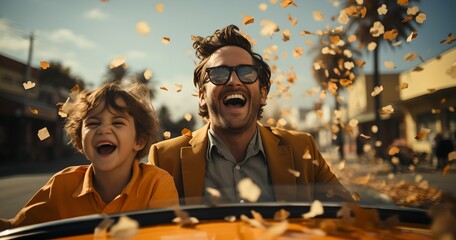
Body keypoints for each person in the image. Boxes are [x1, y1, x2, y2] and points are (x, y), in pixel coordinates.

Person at [148, 24, 353, 205]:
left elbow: (352, 219)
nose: (233, 81)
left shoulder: (303, 150)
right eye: (219, 74)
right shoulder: (165, 159)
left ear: (263, 93)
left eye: (246, 72)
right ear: (202, 96)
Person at [0, 82, 178, 230]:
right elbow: (15, 229)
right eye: (93, 123)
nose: (103, 129)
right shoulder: (61, 185)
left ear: (139, 140)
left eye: (117, 122)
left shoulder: (156, 183)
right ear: (79, 142)